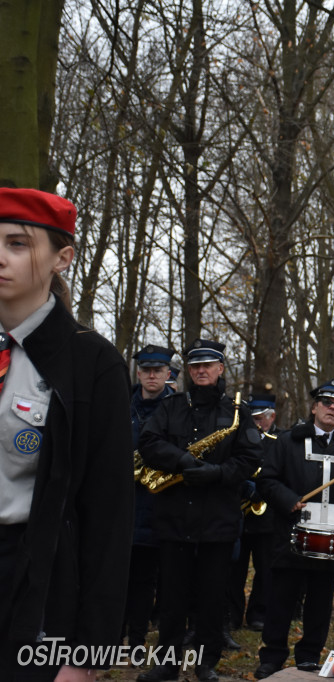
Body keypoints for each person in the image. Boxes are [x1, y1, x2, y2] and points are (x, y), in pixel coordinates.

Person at [0, 188, 134, 682]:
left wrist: (87, 655)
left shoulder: (92, 364)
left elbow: (107, 516)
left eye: (17, 243)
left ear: (63, 258)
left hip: (36, 587)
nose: (0, 257)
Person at [137, 340, 263, 682]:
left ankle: (206, 663)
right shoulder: (171, 406)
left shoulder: (238, 412)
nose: (201, 371)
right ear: (189, 371)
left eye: (208, 365)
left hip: (218, 519)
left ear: (221, 369)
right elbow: (148, 442)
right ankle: (167, 663)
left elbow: (252, 458)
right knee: (172, 598)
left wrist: (218, 473)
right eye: (195, 366)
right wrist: (179, 459)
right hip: (174, 517)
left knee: (211, 597)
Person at [254, 380, 334, 679]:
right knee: (281, 597)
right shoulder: (288, 441)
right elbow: (266, 480)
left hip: (331, 539)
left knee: (321, 602)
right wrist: (288, 499)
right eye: (326, 403)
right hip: (291, 534)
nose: (331, 409)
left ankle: (308, 656)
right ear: (314, 407)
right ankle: (272, 656)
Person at [124, 345, 176, 654]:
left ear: (168, 374)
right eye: (146, 370)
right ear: (139, 373)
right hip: (122, 505)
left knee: (146, 580)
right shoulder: (121, 404)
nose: (151, 375)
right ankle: (109, 636)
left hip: (159, 506)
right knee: (115, 577)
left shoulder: (178, 409)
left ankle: (138, 639)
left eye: (158, 370)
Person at [226, 393, 279, 633]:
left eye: (261, 419)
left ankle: (259, 614)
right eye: (253, 419)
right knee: (234, 569)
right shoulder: (240, 436)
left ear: (272, 416)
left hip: (267, 517)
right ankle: (231, 615)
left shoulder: (279, 441)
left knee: (265, 569)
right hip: (239, 513)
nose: (257, 424)